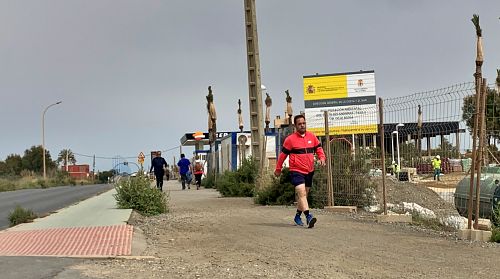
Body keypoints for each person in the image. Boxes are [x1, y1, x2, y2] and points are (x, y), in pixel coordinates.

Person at [274, 114, 326, 228]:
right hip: (296, 170)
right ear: (295, 126)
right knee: (301, 193)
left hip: (309, 170)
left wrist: (322, 158)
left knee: (304, 195)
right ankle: (309, 216)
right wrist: (278, 168)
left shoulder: (312, 136)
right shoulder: (290, 140)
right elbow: (282, 155)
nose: (302, 125)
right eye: (300, 124)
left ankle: (298, 216)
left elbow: (319, 148)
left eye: (304, 123)